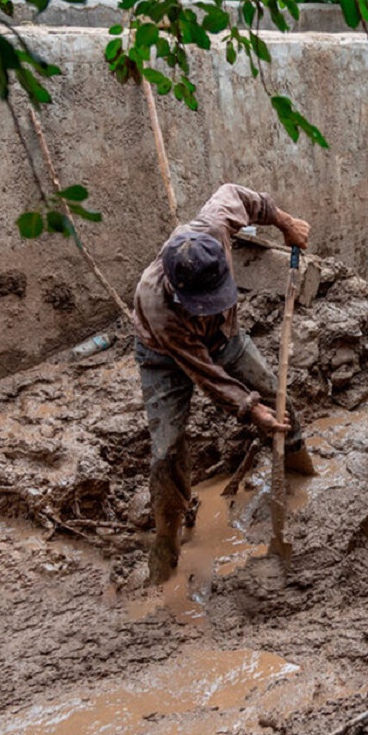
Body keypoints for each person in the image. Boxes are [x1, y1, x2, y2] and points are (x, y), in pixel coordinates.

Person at [132, 184, 316, 583]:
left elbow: (239, 194)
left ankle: (303, 473)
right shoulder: (156, 302)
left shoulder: (214, 225)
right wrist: (250, 410)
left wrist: (285, 223)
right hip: (164, 357)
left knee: (274, 392)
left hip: (226, 337)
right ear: (180, 292)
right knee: (167, 448)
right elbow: (205, 374)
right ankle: (166, 543)